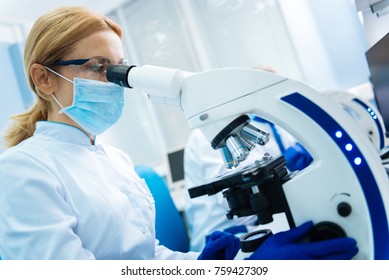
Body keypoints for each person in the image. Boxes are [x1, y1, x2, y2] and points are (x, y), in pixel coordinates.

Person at [0, 6, 357, 260]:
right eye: (99, 68)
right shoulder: (22, 170)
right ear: (44, 78)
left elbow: (148, 258)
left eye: (119, 69)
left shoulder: (117, 160)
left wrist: (214, 267)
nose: (115, 82)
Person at [183, 116, 313, 252]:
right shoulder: (208, 134)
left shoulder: (270, 122)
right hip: (223, 243)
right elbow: (245, 204)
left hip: (265, 225)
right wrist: (290, 165)